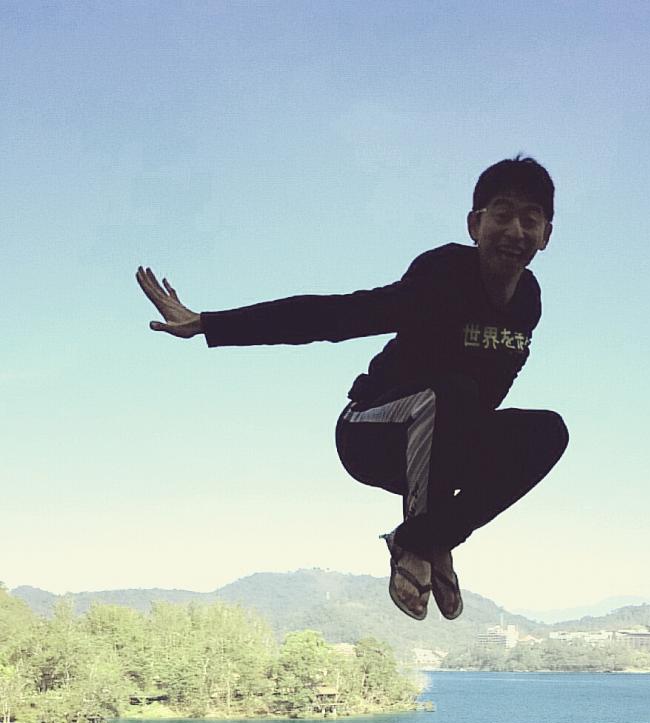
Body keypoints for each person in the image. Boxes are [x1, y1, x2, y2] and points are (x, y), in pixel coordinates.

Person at [136, 152, 568, 621]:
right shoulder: (443, 277)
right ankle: (422, 542)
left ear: (546, 234)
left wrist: (450, 494)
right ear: (474, 224)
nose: (515, 231)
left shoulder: (528, 302)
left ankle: (431, 537)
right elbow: (338, 315)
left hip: (443, 438)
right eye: (502, 215)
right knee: (454, 393)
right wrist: (210, 323)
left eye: (530, 220)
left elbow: (492, 392)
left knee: (548, 432)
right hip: (371, 432)